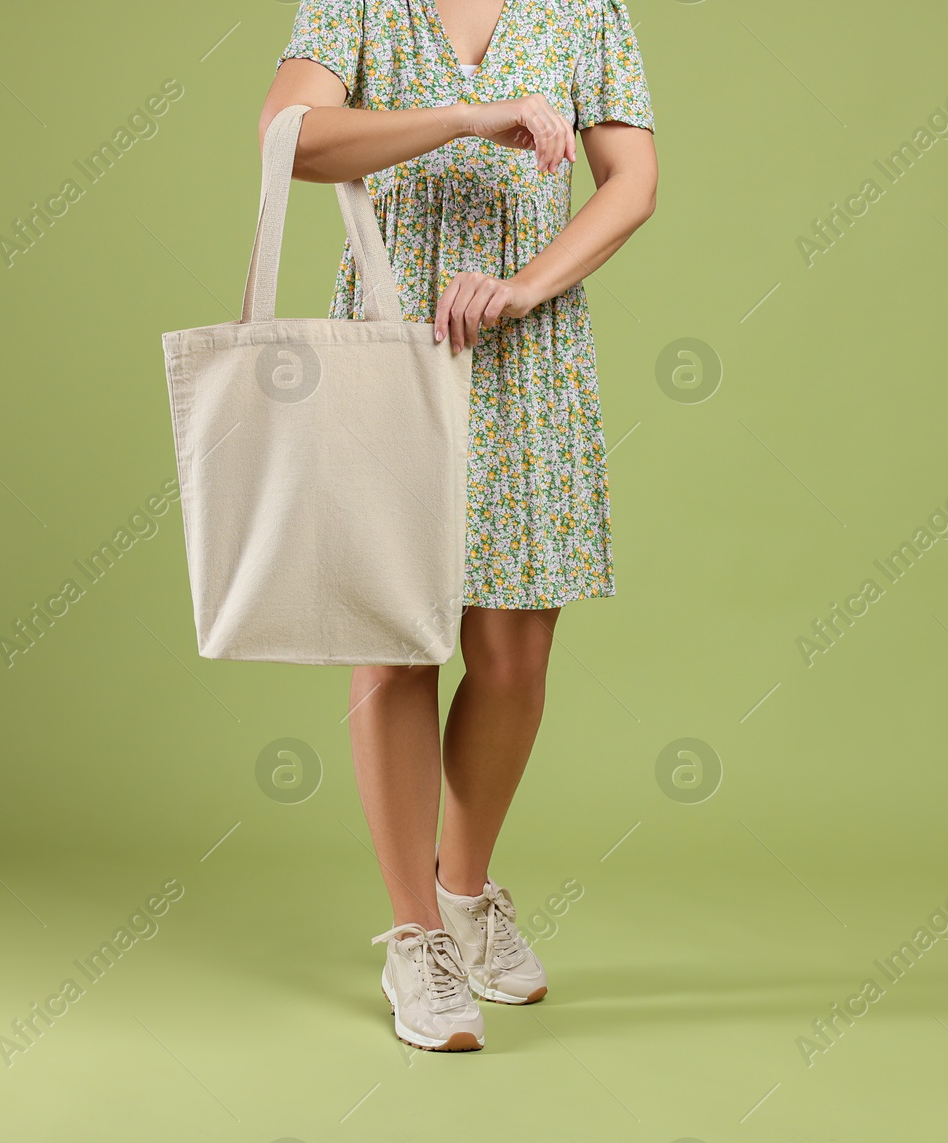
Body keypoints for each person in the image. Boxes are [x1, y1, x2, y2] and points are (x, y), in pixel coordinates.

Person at [261, 0, 657, 1052]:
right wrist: (467, 116)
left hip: (528, 348)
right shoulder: (357, 4)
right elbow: (290, 135)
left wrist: (527, 288)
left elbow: (632, 181)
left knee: (515, 654)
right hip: (389, 342)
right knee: (393, 644)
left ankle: (465, 892)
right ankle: (412, 935)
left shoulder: (585, 11)